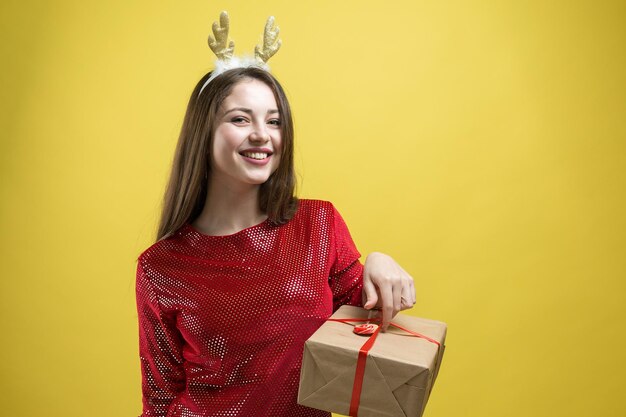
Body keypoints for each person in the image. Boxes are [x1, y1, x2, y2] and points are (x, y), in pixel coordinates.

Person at [135, 12, 415, 417]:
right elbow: (160, 401)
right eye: (239, 119)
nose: (262, 135)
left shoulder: (318, 226)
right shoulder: (160, 268)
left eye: (274, 121)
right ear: (204, 133)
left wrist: (378, 260)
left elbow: (369, 321)